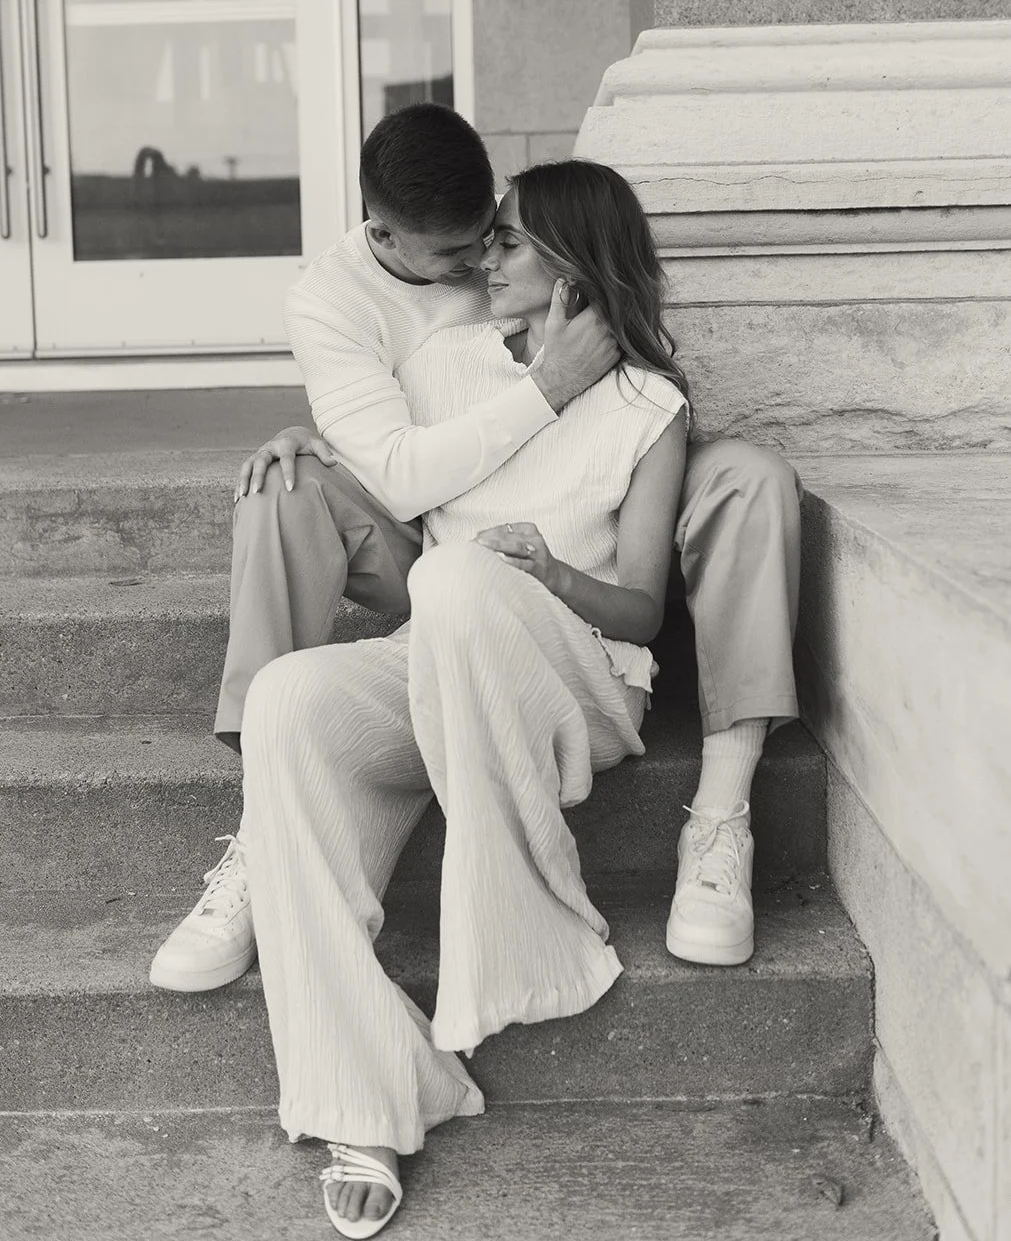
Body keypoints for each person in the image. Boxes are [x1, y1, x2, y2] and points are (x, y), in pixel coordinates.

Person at [149, 105, 800, 997]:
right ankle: (268, 827)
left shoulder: (549, 284)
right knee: (283, 490)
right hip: (435, 524)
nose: (479, 262)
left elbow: (614, 359)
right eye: (461, 252)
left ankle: (721, 813)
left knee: (752, 476)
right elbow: (404, 466)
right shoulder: (339, 303)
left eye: (495, 235)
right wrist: (338, 437)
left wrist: (591, 420)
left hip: (570, 536)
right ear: (383, 232)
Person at [243, 159, 691, 1234]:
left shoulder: (647, 405)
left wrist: (546, 575)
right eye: (484, 239)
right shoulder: (444, 362)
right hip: (442, 662)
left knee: (454, 576)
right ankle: (370, 1092)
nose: (481, 258)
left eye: (507, 241)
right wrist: (301, 439)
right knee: (286, 700)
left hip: (576, 681)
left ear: (577, 262)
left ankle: (515, 932)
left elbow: (640, 612)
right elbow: (386, 466)